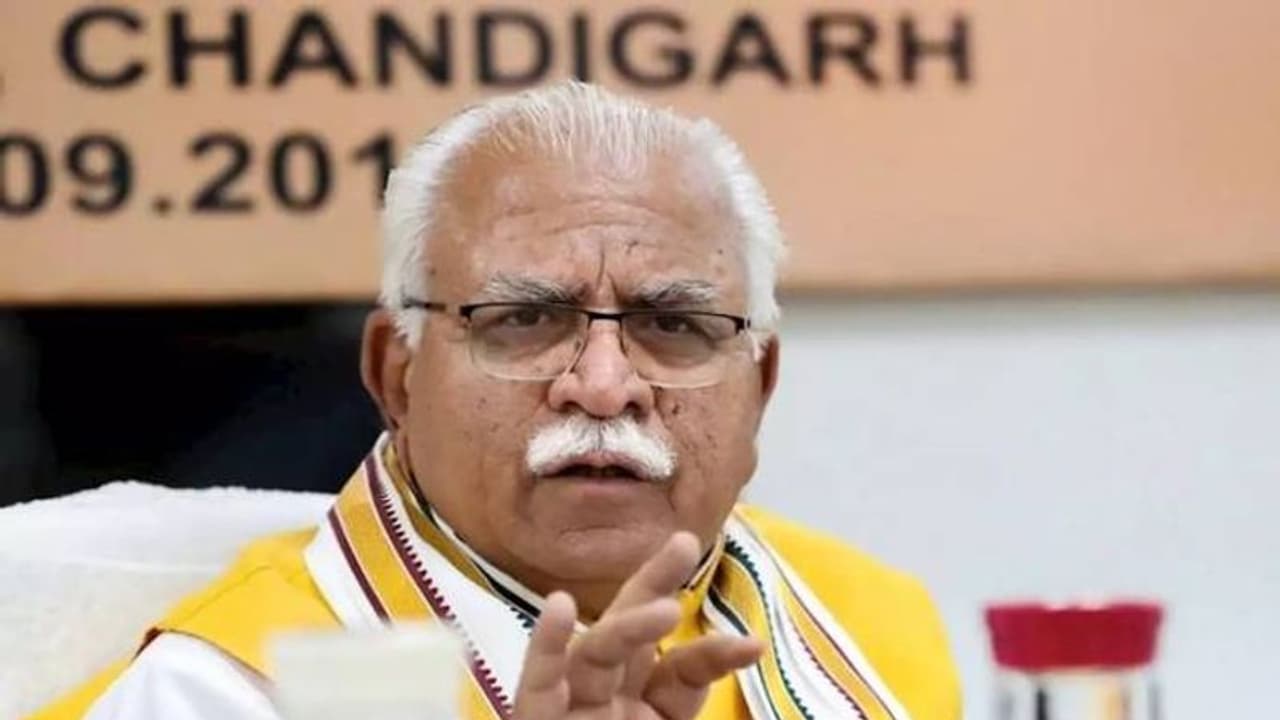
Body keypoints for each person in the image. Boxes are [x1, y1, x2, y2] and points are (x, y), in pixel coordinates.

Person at [37, 82, 960, 720]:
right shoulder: (229, 691)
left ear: (758, 387)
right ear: (396, 375)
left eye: (673, 325)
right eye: (525, 319)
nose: (605, 385)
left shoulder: (871, 624)